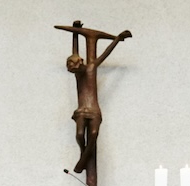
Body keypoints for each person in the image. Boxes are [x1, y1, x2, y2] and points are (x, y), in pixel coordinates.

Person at [54, 21, 132, 174]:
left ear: (80, 62)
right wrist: (75, 32)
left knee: (94, 134)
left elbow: (105, 54)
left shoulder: (91, 68)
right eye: (69, 65)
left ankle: (83, 158)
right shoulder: (78, 74)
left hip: (94, 110)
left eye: (72, 64)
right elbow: (74, 52)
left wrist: (118, 39)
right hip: (81, 110)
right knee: (80, 135)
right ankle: (83, 154)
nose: (70, 68)